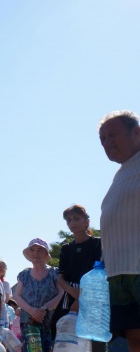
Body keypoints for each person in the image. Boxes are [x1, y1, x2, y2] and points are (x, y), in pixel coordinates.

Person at [98, 110, 140, 351]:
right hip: (118, 275)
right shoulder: (120, 175)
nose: (106, 142)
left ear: (137, 133)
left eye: (112, 134)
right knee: (134, 336)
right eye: (102, 139)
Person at [53, 204, 104, 352]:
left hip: (93, 296)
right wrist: (73, 293)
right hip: (69, 298)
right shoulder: (66, 249)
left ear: (86, 221)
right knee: (66, 341)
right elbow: (60, 278)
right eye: (69, 220)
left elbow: (100, 272)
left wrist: (82, 297)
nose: (72, 223)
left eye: (76, 218)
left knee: (96, 344)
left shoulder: (98, 243)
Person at [14, 238, 64, 352]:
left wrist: (44, 308)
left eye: (40, 250)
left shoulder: (54, 272)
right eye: (32, 250)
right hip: (29, 323)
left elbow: (61, 294)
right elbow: (17, 295)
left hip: (51, 322)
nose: (35, 253)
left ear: (46, 253)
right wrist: (31, 310)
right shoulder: (23, 275)